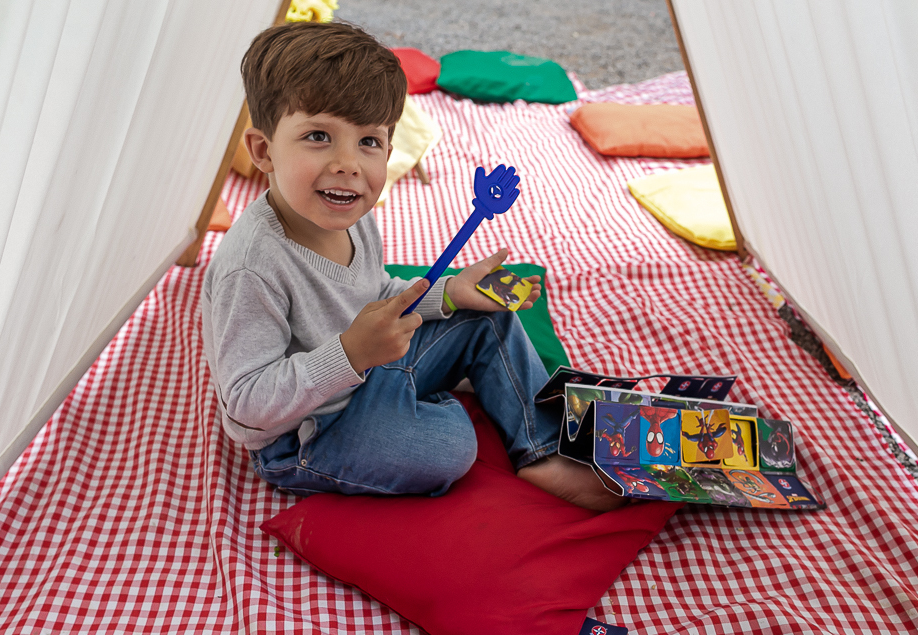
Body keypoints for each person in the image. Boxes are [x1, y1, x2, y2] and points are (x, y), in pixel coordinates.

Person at [202, 21, 623, 511]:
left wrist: (450, 293)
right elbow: (247, 407)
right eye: (318, 136)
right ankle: (430, 401)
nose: (348, 164)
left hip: (369, 365)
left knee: (492, 317)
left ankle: (541, 450)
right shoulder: (251, 269)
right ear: (263, 151)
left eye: (369, 142)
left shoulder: (348, 213)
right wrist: (350, 354)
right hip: (308, 431)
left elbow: (377, 291)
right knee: (451, 448)